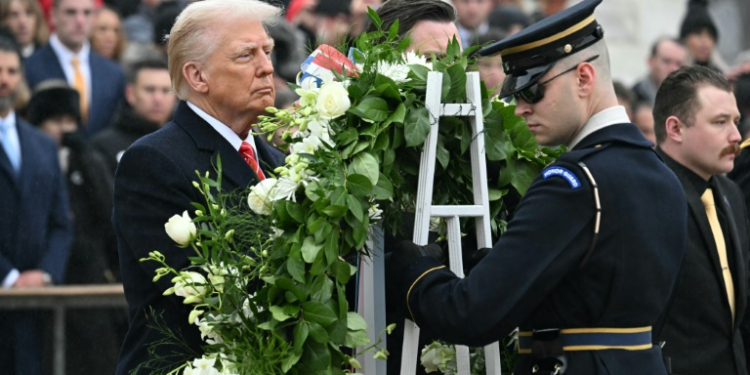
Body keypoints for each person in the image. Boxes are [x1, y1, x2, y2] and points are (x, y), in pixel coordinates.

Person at [386, 0, 688, 374]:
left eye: (533, 92)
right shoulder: (662, 174)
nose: (520, 108)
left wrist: (413, 268)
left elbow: (471, 314)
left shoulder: (573, 183)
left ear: (584, 77)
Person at [113, 1, 286, 374]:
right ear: (197, 76)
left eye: (267, 51)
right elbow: (212, 292)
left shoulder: (281, 162)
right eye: (246, 55)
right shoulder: (153, 161)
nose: (267, 67)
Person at [653, 65, 748, 375]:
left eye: (736, 121)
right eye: (720, 123)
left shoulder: (729, 192)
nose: (736, 135)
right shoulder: (647, 196)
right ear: (675, 128)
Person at [25, 80, 121, 375]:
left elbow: (108, 212)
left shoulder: (87, 160)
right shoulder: (28, 162)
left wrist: (87, 162)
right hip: (42, 277)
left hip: (87, 278)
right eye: (56, 121)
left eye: (70, 121)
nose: (65, 130)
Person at [0, 37, 72, 375]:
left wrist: (45, 272)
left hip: (36, 308)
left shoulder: (42, 143)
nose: (5, 79)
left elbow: (61, 221)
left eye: (12, 70)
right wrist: (10, 277)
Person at [24, 0, 125, 137]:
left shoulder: (113, 73)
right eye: (70, 12)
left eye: (87, 13)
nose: (80, 21)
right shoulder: (28, 68)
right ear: (53, 15)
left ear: (94, 17)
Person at [631, 37, 687, 105]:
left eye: (679, 64)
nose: (673, 69)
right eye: (666, 61)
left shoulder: (689, 99)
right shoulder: (633, 98)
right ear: (651, 61)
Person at [680, 0, 724, 73]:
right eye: (698, 34)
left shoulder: (723, 78)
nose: (705, 42)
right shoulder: (673, 77)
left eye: (710, 36)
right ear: (685, 39)